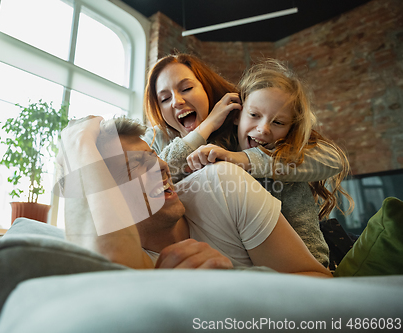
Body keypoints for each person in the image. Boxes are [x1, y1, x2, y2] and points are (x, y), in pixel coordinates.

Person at [57, 115, 332, 278]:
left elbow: (318, 280)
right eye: (138, 166)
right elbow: (111, 260)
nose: (163, 166)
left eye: (153, 157)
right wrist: (77, 142)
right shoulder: (121, 255)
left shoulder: (222, 183)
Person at [143, 54, 351, 267]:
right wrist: (207, 125)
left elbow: (331, 159)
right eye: (164, 98)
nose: (177, 101)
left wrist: (243, 159)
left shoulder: (249, 136)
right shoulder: (158, 140)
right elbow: (153, 178)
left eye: (186, 89)